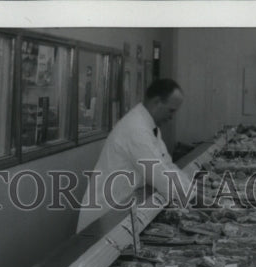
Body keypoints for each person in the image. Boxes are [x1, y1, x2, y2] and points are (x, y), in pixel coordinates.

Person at [76, 78, 193, 233]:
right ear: (157, 102)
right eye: (171, 110)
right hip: (105, 215)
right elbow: (160, 177)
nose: (172, 117)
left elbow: (167, 166)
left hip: (121, 210)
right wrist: (195, 200)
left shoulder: (149, 127)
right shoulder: (136, 129)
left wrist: (193, 192)